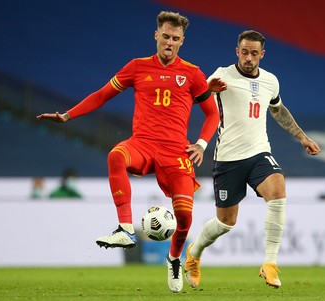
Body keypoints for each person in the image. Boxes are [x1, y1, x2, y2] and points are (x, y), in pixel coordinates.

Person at [37, 11, 225, 293]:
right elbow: (102, 94)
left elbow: (212, 114)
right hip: (143, 143)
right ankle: (125, 229)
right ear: (156, 36)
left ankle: (174, 257)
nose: (169, 43)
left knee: (184, 217)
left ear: (182, 41)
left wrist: (200, 144)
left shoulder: (193, 74)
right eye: (165, 37)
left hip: (176, 151)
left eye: (175, 38)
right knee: (116, 155)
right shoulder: (137, 67)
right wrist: (68, 115)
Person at [184, 30, 321, 289]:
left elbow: (278, 110)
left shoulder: (270, 81)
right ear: (237, 51)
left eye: (254, 53)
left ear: (262, 55)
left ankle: (270, 263)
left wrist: (301, 136)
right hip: (228, 158)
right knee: (226, 223)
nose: (248, 58)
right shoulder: (222, 75)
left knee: (278, 188)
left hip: (259, 153)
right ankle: (194, 253)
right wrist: (206, 91)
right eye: (244, 52)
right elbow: (189, 101)